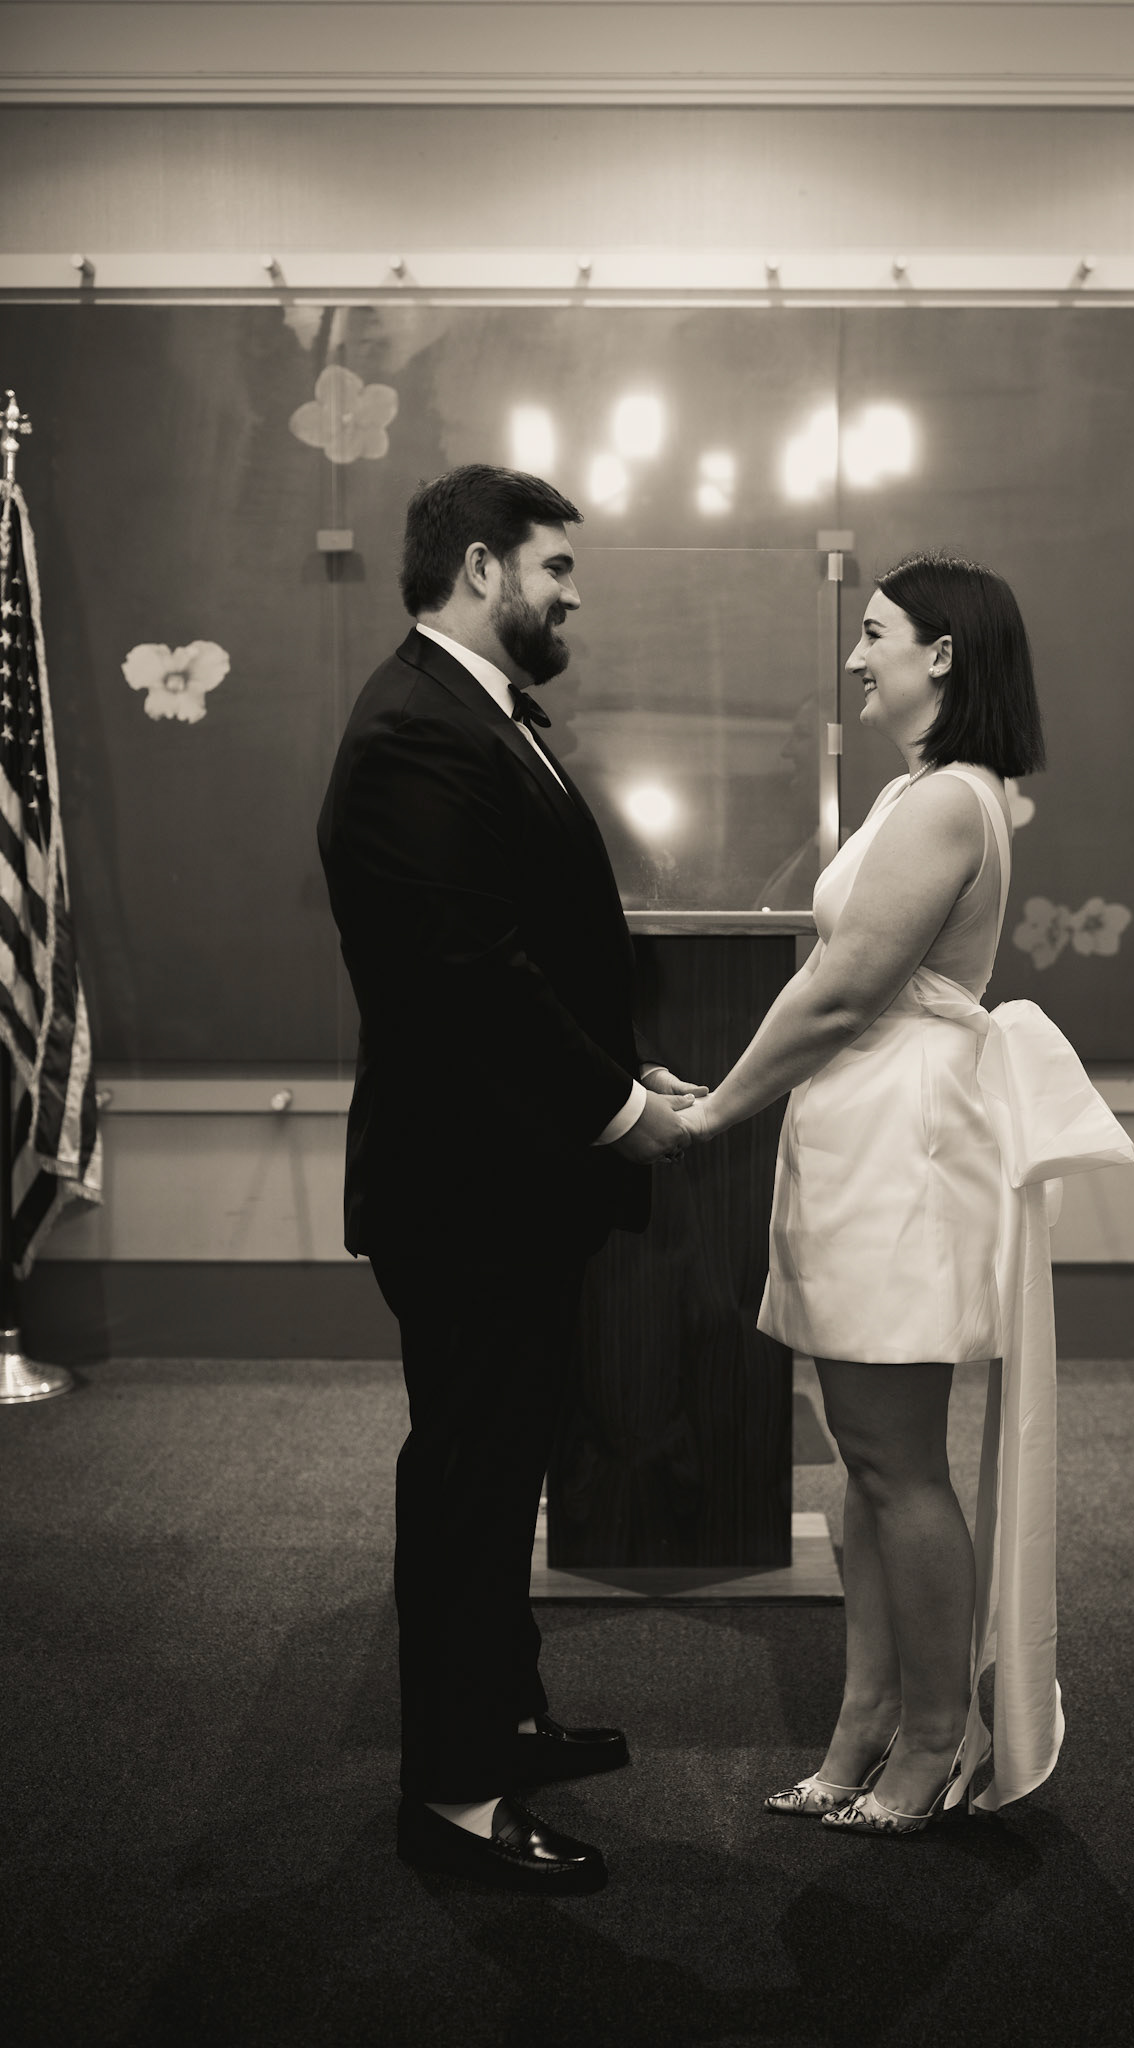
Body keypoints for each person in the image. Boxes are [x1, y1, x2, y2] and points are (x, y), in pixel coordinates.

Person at [677, 552, 1133, 1832]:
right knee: (868, 1460)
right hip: (869, 1125)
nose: (854, 654)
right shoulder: (922, 788)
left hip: (901, 1137)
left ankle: (937, 1732)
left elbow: (841, 985)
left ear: (942, 654)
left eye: (873, 632)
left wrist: (715, 1108)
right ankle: (865, 1718)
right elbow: (838, 978)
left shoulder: (944, 802)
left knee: (895, 1460)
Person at [317, 465, 702, 1894]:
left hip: (509, 1181)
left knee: (508, 1465)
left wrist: (624, 1070)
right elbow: (466, 980)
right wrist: (610, 1109)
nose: (572, 593)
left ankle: (510, 1716)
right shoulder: (416, 732)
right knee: (472, 1488)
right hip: (466, 1192)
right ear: (480, 568)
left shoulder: (483, 718)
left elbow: (535, 943)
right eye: (553, 567)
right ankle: (457, 1796)